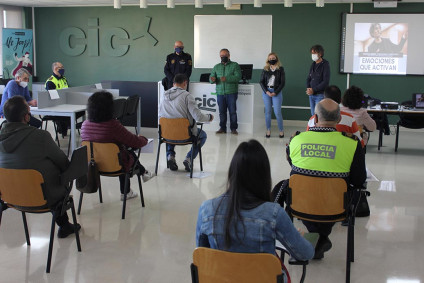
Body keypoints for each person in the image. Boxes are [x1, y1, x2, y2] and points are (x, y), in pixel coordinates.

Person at [196, 140, 314, 263]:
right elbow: (305, 254)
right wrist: (297, 236)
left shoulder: (207, 209)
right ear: (264, 176)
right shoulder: (274, 214)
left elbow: (201, 257)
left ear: (232, 173)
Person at [277, 99, 366, 260]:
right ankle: (321, 238)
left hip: (300, 204)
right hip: (336, 207)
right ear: (339, 120)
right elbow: (359, 180)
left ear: (315, 119)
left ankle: (316, 238)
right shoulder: (352, 144)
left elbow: (294, 165)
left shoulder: (297, 140)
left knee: (305, 183)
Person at [0, 96, 80, 238]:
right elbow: (63, 163)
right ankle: (64, 225)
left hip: (9, 196)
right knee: (57, 178)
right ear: (26, 117)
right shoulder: (40, 136)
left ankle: (65, 225)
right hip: (42, 196)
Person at [80, 91, 153, 201]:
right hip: (114, 165)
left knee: (120, 152)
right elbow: (135, 142)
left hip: (93, 165)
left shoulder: (85, 125)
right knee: (125, 154)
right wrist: (144, 139)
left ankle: (144, 173)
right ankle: (128, 189)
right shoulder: (112, 125)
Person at [158, 74, 213, 172]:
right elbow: (198, 116)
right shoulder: (187, 96)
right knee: (203, 135)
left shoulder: (163, 95)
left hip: (166, 135)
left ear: (173, 83)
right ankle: (188, 159)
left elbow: (160, 116)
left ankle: (170, 156)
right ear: (185, 83)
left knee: (171, 127)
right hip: (185, 136)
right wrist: (209, 117)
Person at [45, 62, 83, 137]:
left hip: (66, 104)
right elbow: (52, 98)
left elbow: (67, 91)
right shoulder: (50, 82)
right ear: (56, 69)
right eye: (61, 67)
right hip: (56, 106)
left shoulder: (64, 79)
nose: (63, 69)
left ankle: (67, 124)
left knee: (81, 111)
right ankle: (64, 125)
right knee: (68, 116)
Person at [210, 48, 242, 135]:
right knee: (222, 112)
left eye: (225, 55)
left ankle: (233, 129)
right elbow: (211, 78)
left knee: (232, 112)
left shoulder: (235, 65)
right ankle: (222, 128)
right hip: (220, 93)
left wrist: (227, 79)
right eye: (221, 56)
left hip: (231, 92)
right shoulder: (216, 66)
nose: (223, 57)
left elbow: (238, 77)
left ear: (229, 56)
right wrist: (212, 79)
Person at [259, 52, 285, 138]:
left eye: (273, 58)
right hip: (267, 92)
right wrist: (266, 91)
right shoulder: (265, 69)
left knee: (277, 112)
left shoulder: (280, 69)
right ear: (268, 60)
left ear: (276, 59)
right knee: (268, 112)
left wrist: (275, 92)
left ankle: (281, 130)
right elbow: (261, 82)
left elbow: (282, 83)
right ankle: (268, 130)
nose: (272, 60)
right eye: (270, 59)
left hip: (276, 92)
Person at [306, 44, 330, 115]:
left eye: (314, 53)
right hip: (311, 94)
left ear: (320, 54)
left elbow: (325, 81)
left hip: (320, 95)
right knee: (313, 115)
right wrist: (308, 88)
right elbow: (309, 78)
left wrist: (314, 89)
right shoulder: (313, 64)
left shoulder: (325, 64)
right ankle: (313, 126)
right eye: (312, 53)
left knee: (319, 115)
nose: (313, 55)